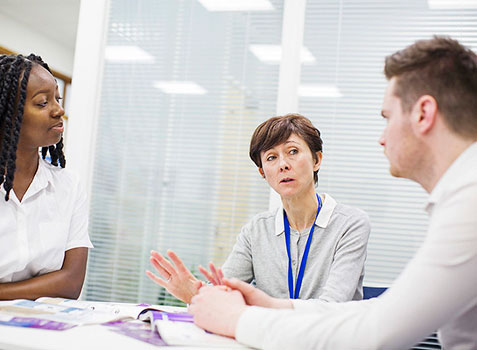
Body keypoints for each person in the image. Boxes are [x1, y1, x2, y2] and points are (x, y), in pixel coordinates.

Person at [188, 36, 477, 350]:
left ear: (423, 114)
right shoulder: (462, 195)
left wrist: (238, 320)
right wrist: (275, 306)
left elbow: (375, 333)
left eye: (387, 118)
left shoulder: (469, 202)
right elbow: (383, 310)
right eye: (271, 158)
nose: (382, 138)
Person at [147, 114, 370, 304]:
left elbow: (331, 307)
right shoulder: (256, 231)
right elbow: (224, 291)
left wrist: (263, 309)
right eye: (271, 158)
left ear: (316, 160)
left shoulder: (350, 224)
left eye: (293, 151)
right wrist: (197, 293)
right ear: (263, 172)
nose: (283, 164)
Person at [0, 54, 93, 301]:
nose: (59, 110)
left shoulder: (69, 186)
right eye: (42, 103)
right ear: (6, 115)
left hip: (39, 332)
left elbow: (70, 283)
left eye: (57, 99)